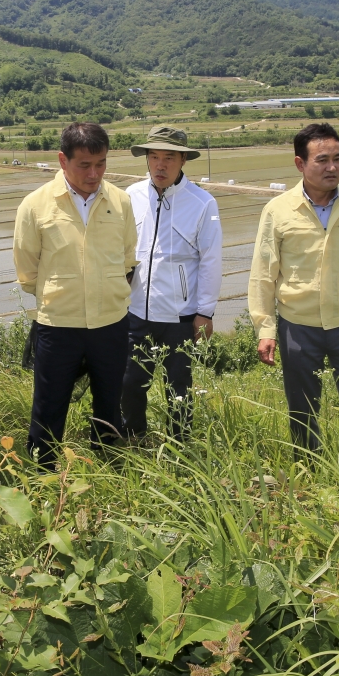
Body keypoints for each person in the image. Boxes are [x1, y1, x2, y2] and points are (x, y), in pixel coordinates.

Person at [247, 123, 339, 464]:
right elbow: (264, 274)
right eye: (322, 160)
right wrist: (265, 328)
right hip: (298, 325)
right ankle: (309, 469)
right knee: (302, 407)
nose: (332, 167)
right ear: (300, 164)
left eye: (338, 159)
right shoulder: (278, 211)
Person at [13, 122, 137, 467]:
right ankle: (44, 471)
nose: (94, 174)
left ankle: (110, 463)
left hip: (111, 322)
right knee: (49, 404)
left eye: (101, 164)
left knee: (110, 401)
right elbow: (28, 271)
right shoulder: (36, 205)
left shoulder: (121, 202)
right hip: (58, 324)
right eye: (84, 165)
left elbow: (128, 258)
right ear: (62, 160)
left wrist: (107, 292)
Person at [121, 126, 222, 441]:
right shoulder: (131, 196)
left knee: (178, 388)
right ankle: (134, 437)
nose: (160, 165)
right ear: (147, 159)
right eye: (154, 157)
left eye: (169, 158)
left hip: (181, 316)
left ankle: (180, 446)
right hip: (135, 310)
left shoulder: (202, 203)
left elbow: (210, 260)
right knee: (129, 382)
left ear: (182, 161)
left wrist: (205, 311)